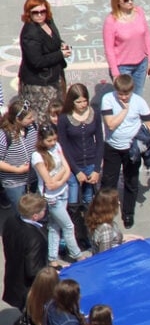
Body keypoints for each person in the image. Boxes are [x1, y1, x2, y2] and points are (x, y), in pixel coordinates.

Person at [100, 74, 150, 229]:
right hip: (112, 147)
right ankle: (106, 214)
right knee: (108, 183)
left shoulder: (139, 102)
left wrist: (142, 136)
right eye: (120, 94)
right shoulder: (107, 99)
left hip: (131, 149)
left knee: (131, 181)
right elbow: (110, 124)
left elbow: (149, 123)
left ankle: (128, 213)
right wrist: (125, 110)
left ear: (132, 90)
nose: (123, 97)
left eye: (127, 94)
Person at [31, 123, 84, 267]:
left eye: (55, 139)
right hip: (52, 198)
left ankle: (52, 258)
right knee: (68, 226)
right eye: (49, 140)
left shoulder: (57, 146)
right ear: (41, 140)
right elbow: (49, 183)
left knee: (55, 226)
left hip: (63, 192)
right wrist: (61, 177)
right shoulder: (37, 156)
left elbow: (67, 168)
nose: (53, 143)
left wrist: (59, 180)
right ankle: (77, 255)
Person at [18, 0, 71, 120]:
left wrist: (61, 44)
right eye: (35, 12)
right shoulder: (30, 33)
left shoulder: (48, 21)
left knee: (59, 113)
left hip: (55, 77)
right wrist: (60, 54)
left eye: (43, 11)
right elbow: (37, 61)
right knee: (45, 118)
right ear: (29, 13)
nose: (40, 15)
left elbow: (53, 40)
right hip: (39, 84)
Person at [102, 0, 150, 96]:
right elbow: (109, 49)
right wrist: (115, 73)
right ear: (117, 2)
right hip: (123, 67)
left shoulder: (139, 12)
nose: (130, 2)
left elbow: (147, 36)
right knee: (125, 98)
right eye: (126, 0)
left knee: (138, 96)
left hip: (141, 63)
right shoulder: (111, 21)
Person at [58, 83, 104, 209]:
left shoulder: (95, 113)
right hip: (72, 163)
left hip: (91, 163)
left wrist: (96, 169)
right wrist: (76, 171)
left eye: (85, 101)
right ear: (71, 102)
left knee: (88, 197)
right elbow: (63, 146)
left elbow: (100, 141)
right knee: (73, 201)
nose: (83, 105)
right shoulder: (64, 118)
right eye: (78, 102)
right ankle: (74, 220)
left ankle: (87, 220)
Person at [2, 193, 47, 313]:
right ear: (35, 216)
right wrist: (49, 272)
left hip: (13, 276)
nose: (45, 211)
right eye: (43, 210)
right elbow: (33, 270)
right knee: (32, 314)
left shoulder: (11, 220)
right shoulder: (34, 238)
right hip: (27, 288)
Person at [0, 99, 38, 211]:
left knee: (34, 211)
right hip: (14, 182)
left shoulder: (33, 127)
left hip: (33, 178)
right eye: (29, 118)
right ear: (18, 119)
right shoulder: (4, 135)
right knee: (22, 212)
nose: (33, 119)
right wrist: (17, 170)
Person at [85, 188, 142, 254]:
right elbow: (105, 255)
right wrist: (126, 244)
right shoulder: (105, 228)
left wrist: (132, 236)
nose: (119, 203)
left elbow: (113, 238)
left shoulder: (98, 219)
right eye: (116, 201)